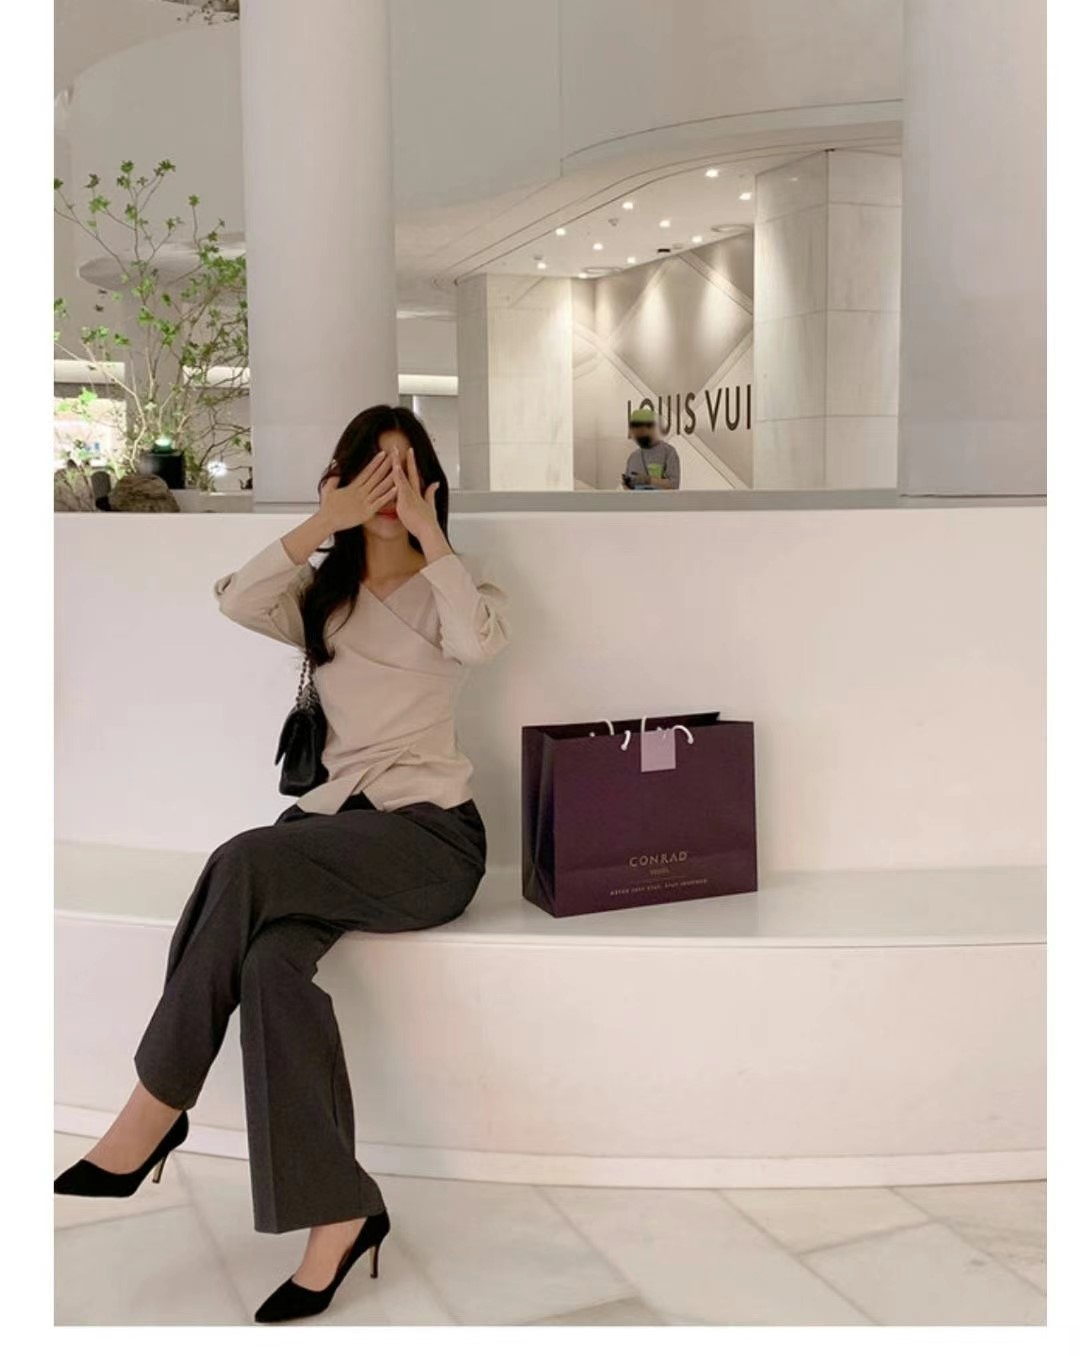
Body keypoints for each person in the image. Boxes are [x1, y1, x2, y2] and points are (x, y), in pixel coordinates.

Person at [54, 405, 509, 1323]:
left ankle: (154, 1106)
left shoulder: (452, 587)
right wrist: (322, 524)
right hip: (330, 835)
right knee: (267, 965)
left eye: (405, 470)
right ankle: (340, 1211)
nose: (389, 489)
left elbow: (482, 641)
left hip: (429, 840)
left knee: (243, 857)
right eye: (371, 472)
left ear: (430, 484)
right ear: (341, 481)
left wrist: (430, 537)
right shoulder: (320, 599)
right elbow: (234, 599)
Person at [622, 407, 680, 489]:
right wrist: (627, 485)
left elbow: (674, 485)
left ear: (653, 429)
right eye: (636, 434)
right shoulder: (633, 457)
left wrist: (649, 480)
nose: (639, 437)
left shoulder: (668, 452)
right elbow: (628, 489)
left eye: (642, 432)